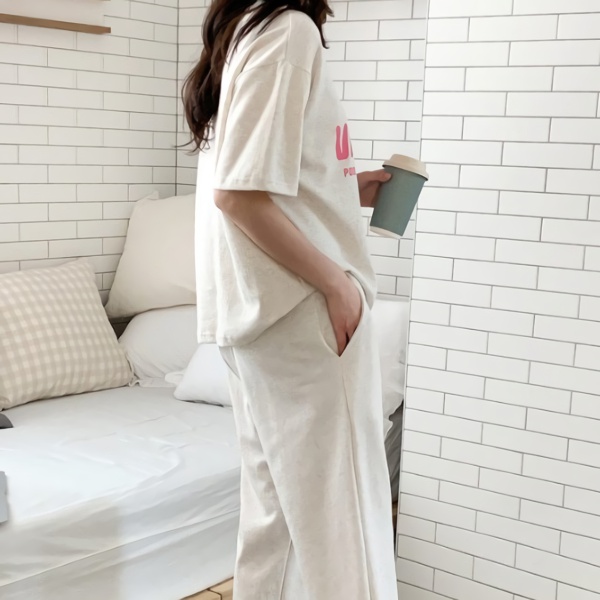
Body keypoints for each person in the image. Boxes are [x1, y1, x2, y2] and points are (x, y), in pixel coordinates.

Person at [182, 1, 398, 598]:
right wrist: (336, 284)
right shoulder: (288, 29)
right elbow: (238, 195)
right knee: (344, 522)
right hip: (299, 314)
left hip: (263, 318)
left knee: (274, 522)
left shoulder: (252, 27)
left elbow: (258, 181)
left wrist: (344, 187)